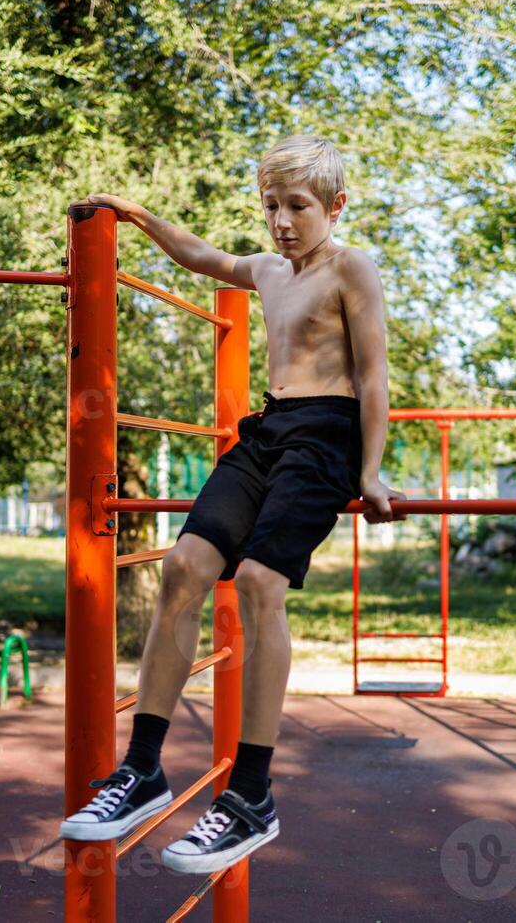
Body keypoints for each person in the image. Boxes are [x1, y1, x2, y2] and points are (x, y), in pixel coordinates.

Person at [60, 135, 406, 874]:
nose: (282, 221)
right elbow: (201, 257)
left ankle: (250, 796)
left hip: (327, 438)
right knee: (184, 566)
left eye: (298, 207)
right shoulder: (266, 271)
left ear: (335, 206)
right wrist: (138, 216)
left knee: (257, 582)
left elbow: (374, 375)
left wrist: (370, 472)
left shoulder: (352, 268)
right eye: (272, 206)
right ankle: (143, 769)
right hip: (268, 432)